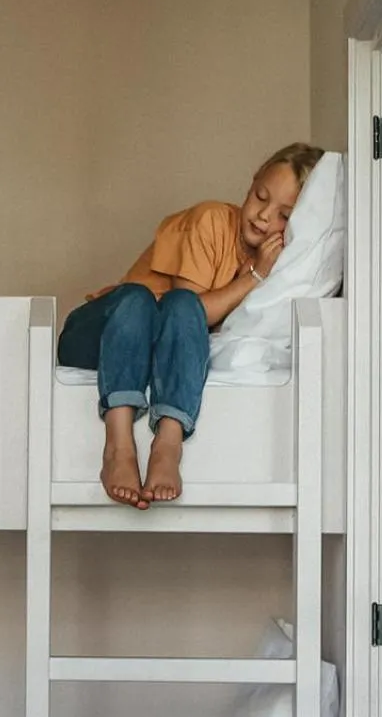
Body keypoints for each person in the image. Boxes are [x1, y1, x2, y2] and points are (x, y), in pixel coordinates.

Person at [58, 142, 324, 508]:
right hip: (99, 332)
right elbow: (188, 314)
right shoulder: (212, 221)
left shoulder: (284, 265)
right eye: (261, 197)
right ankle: (118, 448)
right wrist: (255, 275)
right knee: (149, 300)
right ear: (250, 184)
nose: (263, 216)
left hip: (145, 349)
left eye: (283, 215)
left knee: (172, 311)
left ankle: (167, 445)